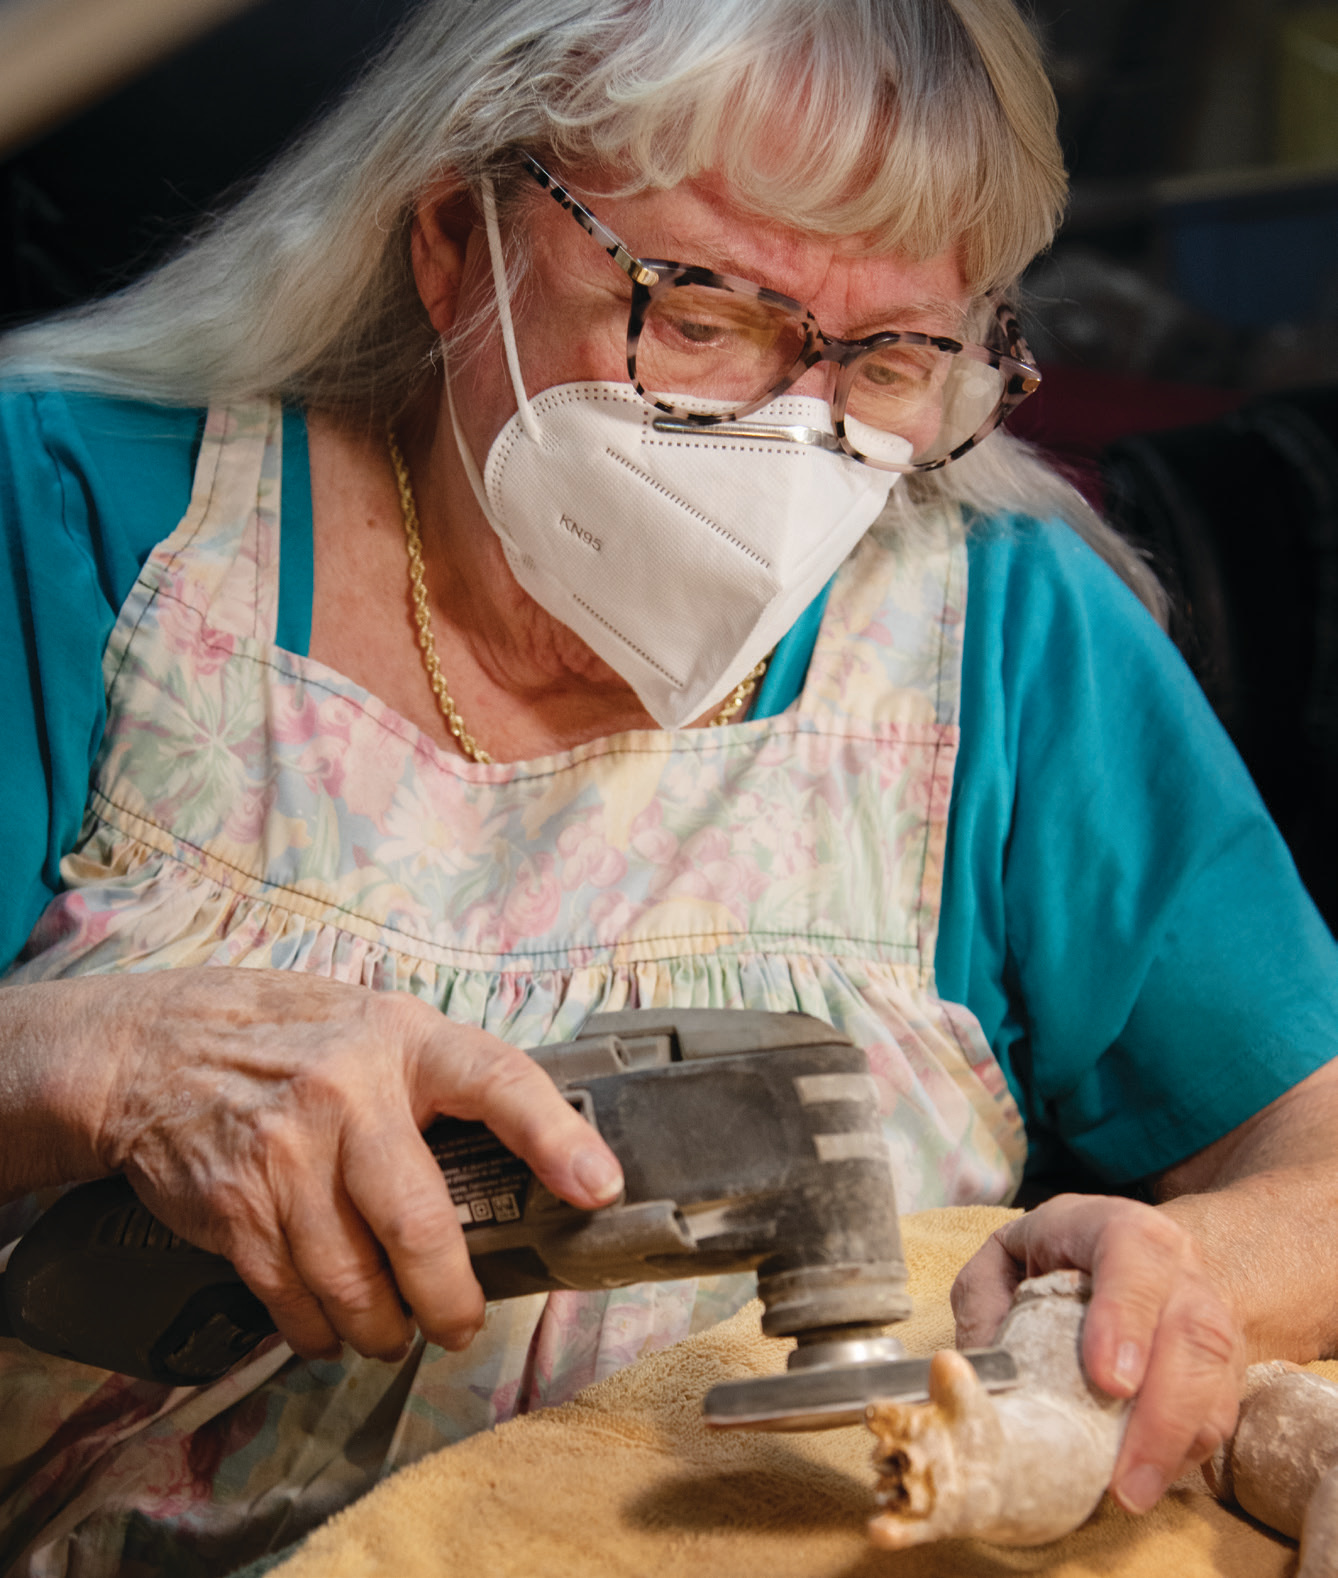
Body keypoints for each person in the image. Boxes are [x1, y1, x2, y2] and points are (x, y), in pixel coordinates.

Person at [1, 0, 1336, 1572]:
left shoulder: (1011, 636)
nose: (789, 435)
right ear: (452, 242)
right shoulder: (80, 520)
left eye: (893, 355)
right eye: (697, 316)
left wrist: (1170, 1271)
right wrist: (101, 1057)